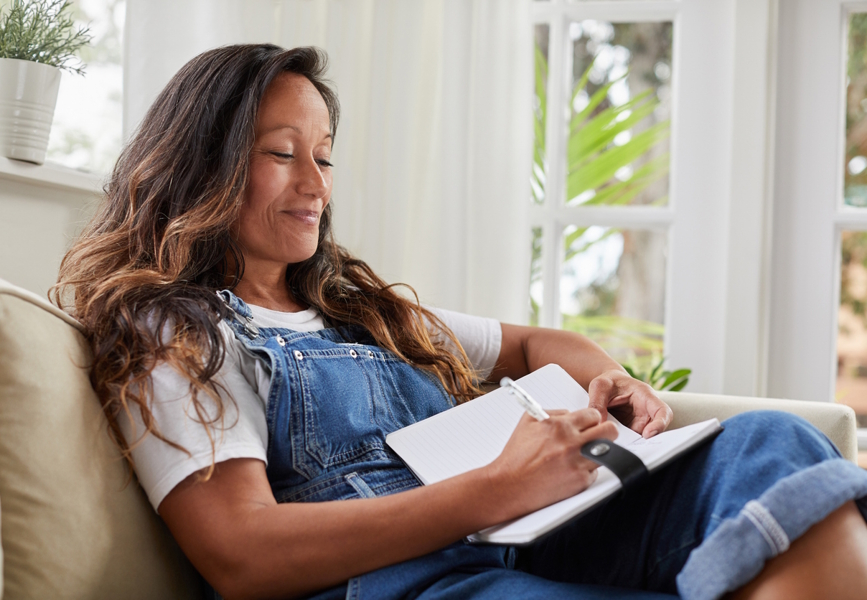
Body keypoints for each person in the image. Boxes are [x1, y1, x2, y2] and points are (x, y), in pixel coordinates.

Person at [54, 44, 867, 600]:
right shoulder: (179, 326)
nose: (316, 184)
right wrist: (493, 489)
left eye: (325, 155)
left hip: (525, 533)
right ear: (205, 160)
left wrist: (609, 379)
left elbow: (530, 344)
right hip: (411, 584)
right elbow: (238, 552)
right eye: (281, 153)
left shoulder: (353, 307)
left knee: (778, 444)